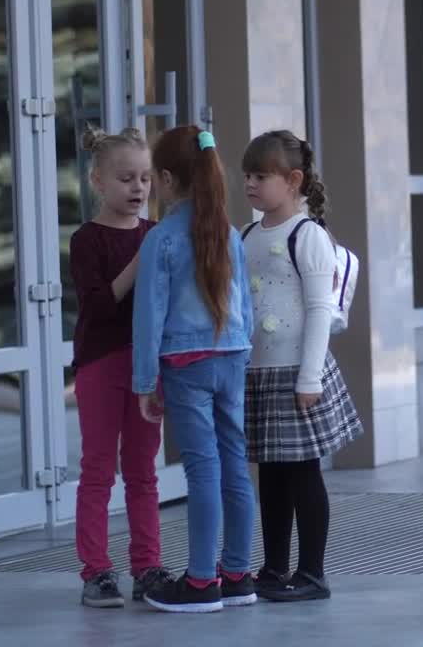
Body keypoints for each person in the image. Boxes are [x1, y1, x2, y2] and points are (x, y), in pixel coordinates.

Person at [132, 125, 257, 613]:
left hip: (185, 365)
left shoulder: (161, 240)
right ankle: (237, 573)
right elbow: (244, 304)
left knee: (202, 471)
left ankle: (202, 582)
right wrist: (238, 354)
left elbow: (149, 318)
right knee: (234, 467)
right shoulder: (229, 234)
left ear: (166, 178)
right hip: (231, 358)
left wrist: (145, 382)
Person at [240, 130, 363, 602]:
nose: (250, 184)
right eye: (247, 175)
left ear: (293, 180)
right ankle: (272, 567)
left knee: (303, 473)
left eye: (261, 176)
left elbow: (319, 310)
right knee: (270, 475)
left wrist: (309, 377)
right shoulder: (247, 235)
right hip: (259, 374)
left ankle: (312, 573)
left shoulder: (307, 236)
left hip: (297, 373)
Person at [69, 127, 170, 608]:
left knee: (143, 470)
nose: (138, 189)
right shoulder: (87, 240)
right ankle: (96, 571)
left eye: (146, 179)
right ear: (98, 181)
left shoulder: (155, 235)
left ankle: (147, 566)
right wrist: (141, 262)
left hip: (147, 366)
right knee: (98, 469)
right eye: (126, 178)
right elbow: (100, 307)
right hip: (100, 363)